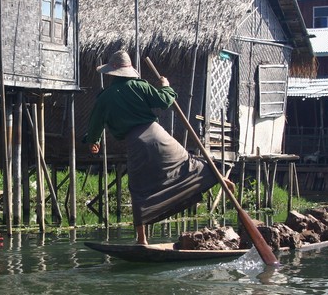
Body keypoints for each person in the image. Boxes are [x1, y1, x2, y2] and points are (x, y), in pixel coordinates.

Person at [82, 50, 232, 245]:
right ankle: (220, 179)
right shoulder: (140, 86)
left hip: (137, 143)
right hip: (160, 136)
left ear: (111, 73)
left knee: (139, 189)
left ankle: (142, 240)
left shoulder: (105, 97)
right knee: (189, 164)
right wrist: (166, 87)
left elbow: (95, 124)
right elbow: (164, 101)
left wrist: (94, 141)